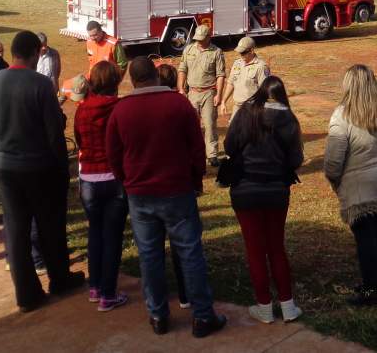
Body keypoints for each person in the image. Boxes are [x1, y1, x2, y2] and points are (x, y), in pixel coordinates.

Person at [106, 57, 227, 338]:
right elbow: (197, 148)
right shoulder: (178, 104)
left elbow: (113, 155)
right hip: (177, 191)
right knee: (190, 253)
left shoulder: (122, 110)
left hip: (140, 195)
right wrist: (196, 180)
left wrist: (127, 182)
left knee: (150, 257)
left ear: (132, 81)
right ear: (156, 77)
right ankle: (202, 316)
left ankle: (159, 315)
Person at [0, 31, 84, 313]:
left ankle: (26, 294)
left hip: (5, 167)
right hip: (39, 166)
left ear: (13, 52)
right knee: (50, 224)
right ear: (36, 53)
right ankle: (59, 279)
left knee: (16, 228)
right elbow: (54, 133)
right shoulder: (40, 84)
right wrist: (63, 170)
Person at [224, 76, 304, 323]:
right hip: (277, 191)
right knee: (276, 247)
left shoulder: (245, 113)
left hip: (245, 190)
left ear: (260, 92)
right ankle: (288, 305)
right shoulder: (289, 119)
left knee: (255, 250)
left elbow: (229, 147)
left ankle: (264, 306)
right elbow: (296, 161)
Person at [324, 64, 377, 306]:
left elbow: (334, 160)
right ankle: (371, 282)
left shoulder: (342, 115)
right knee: (373, 232)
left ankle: (370, 290)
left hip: (357, 184)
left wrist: (335, 179)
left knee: (365, 238)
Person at [72, 65, 129, 312]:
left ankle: (95, 287)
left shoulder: (81, 109)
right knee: (112, 236)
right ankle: (108, 293)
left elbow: (79, 140)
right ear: (115, 82)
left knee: (95, 231)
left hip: (89, 178)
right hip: (114, 178)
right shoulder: (120, 109)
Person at [155, 62, 192, 310]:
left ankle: (158, 305)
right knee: (183, 246)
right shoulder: (182, 106)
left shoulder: (139, 108)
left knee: (152, 249)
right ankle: (186, 296)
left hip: (148, 188)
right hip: (178, 185)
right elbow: (194, 146)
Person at [177, 25, 226, 167]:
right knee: (192, 125)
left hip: (209, 93)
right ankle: (194, 152)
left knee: (210, 124)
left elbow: (220, 75)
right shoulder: (189, 49)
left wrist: (219, 95)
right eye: (196, 39)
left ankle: (212, 155)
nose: (198, 41)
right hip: (192, 92)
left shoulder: (217, 52)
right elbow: (182, 69)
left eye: (201, 39)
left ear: (208, 37)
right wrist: (181, 88)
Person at [220, 36, 270, 120]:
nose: (241, 55)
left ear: (251, 50)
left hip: (253, 108)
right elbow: (231, 83)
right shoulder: (237, 63)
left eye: (243, 52)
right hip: (237, 107)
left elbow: (265, 90)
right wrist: (223, 101)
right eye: (239, 52)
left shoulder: (261, 66)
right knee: (234, 131)